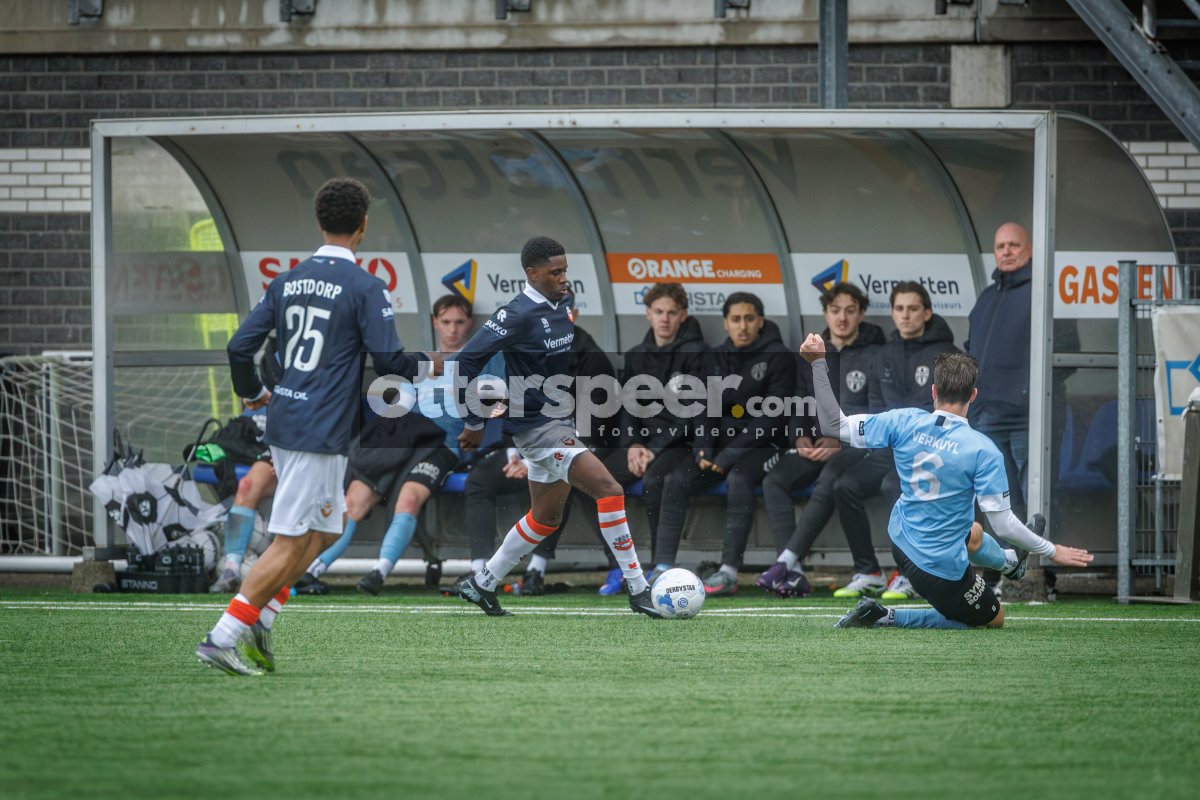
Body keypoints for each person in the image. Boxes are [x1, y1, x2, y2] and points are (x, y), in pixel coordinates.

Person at [195, 177, 440, 675]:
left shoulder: (288, 280)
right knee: (291, 540)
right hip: (317, 430)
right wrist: (433, 364)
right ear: (363, 226)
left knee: (325, 533)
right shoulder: (366, 286)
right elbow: (391, 360)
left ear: (319, 222)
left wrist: (254, 394)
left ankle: (263, 614)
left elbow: (240, 347)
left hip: (290, 420)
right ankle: (222, 636)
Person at [795, 338, 1094, 629]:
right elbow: (1003, 527)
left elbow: (835, 424)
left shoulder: (905, 420)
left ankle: (1010, 562)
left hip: (900, 542)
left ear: (934, 390)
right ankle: (885, 616)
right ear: (973, 395)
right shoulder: (983, 449)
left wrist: (819, 363)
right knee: (993, 619)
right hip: (937, 570)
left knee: (972, 532)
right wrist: (1051, 550)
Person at [452, 235, 659, 617]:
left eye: (566, 270)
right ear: (531, 274)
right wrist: (473, 420)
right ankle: (638, 588)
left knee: (545, 518)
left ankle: (482, 582)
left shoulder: (560, 305)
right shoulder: (515, 314)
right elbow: (466, 361)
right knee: (609, 489)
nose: (565, 278)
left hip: (555, 422)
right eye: (555, 272)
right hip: (537, 428)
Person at [293, 294, 504, 595]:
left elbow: (495, 403)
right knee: (355, 501)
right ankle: (314, 570)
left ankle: (379, 572)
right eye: (446, 322)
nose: (453, 329)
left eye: (459, 322)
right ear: (435, 323)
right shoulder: (422, 361)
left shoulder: (480, 361)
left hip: (442, 446)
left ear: (469, 323)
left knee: (408, 499)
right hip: (403, 440)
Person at [648, 292, 797, 596]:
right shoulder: (714, 356)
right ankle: (662, 568)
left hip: (764, 446)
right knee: (676, 479)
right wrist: (704, 447)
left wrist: (729, 454)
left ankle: (728, 571)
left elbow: (772, 419)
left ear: (761, 321)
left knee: (739, 479)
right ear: (726, 323)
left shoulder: (778, 357)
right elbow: (704, 407)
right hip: (718, 448)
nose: (742, 326)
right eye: (736, 319)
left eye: (749, 318)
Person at [825, 281, 960, 601]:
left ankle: (912, 573)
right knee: (845, 486)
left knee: (893, 486)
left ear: (927, 312)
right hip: (891, 449)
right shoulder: (883, 354)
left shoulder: (947, 355)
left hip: (930, 451)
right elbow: (875, 408)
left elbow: (945, 410)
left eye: (913, 308)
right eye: (899, 308)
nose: (905, 315)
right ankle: (869, 572)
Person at [965, 222, 1078, 597]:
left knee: (1039, 497)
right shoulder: (985, 297)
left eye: (1014, 244)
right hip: (988, 417)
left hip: (1033, 416)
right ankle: (1003, 575)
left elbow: (1069, 352)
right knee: (999, 502)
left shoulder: (1044, 292)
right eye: (1000, 245)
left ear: (1030, 250)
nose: (1007, 251)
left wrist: (1027, 389)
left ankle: (1042, 579)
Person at [755, 283, 885, 598]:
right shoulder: (812, 352)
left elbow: (877, 408)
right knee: (774, 480)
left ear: (861, 314)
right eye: (835, 310)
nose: (842, 318)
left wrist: (841, 441)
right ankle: (794, 572)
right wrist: (799, 436)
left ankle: (786, 560)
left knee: (832, 476)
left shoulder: (874, 354)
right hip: (816, 442)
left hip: (855, 445)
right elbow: (800, 400)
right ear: (825, 313)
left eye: (850, 311)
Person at [598, 281, 708, 592]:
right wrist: (633, 444)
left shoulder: (697, 354)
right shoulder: (636, 355)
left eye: (672, 313)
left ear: (683, 316)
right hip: (640, 445)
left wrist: (653, 450)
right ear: (648, 314)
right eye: (658, 312)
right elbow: (627, 408)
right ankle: (619, 566)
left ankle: (661, 567)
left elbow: (692, 411)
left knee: (655, 480)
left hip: (676, 444)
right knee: (588, 480)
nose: (665, 319)